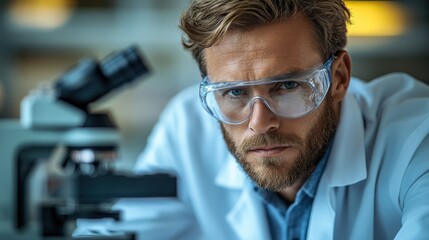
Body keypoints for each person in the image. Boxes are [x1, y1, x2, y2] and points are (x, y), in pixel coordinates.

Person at [76, 0, 429, 239]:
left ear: (338, 78)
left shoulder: (416, 137)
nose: (260, 123)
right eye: (234, 92)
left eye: (288, 85)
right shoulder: (187, 127)